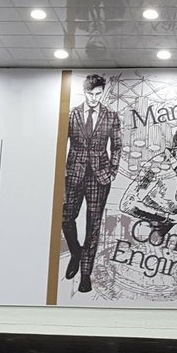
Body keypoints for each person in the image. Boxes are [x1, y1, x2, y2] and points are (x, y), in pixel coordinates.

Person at [61, 74, 120, 293]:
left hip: (100, 176)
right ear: (84, 92)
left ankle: (86, 274)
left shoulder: (111, 116)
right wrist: (61, 169)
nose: (94, 98)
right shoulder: (71, 114)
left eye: (98, 94)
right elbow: (61, 142)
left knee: (93, 225)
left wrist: (112, 171)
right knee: (66, 217)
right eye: (90, 93)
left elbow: (117, 146)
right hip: (73, 174)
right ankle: (76, 253)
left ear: (102, 92)